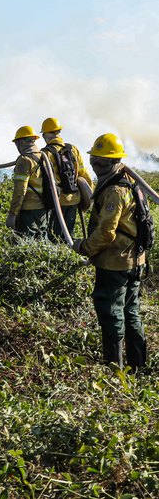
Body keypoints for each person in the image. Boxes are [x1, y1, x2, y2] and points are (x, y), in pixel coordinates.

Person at [72, 133, 149, 369]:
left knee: (112, 313)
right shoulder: (127, 181)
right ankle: (138, 366)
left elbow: (107, 233)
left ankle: (114, 370)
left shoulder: (115, 191)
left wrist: (83, 247)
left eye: (100, 162)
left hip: (116, 263)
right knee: (131, 311)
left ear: (114, 162)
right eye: (93, 161)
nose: (95, 167)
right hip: (135, 260)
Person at [40, 117, 93, 239]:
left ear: (46, 134)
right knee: (68, 234)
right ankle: (69, 254)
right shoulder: (73, 149)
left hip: (56, 202)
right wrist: (88, 197)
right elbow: (84, 174)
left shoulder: (45, 153)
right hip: (74, 199)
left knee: (54, 237)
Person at [7, 126, 50, 238]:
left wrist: (12, 214)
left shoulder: (24, 160)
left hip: (29, 211)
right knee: (41, 246)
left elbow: (20, 191)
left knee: (25, 244)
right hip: (43, 210)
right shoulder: (43, 156)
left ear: (20, 142)